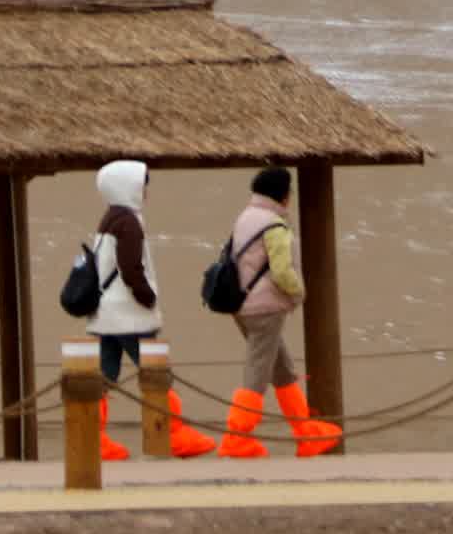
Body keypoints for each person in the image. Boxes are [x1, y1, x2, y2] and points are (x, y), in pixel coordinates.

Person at [77, 160, 216, 460]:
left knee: (105, 376)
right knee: (156, 373)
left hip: (105, 315)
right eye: (142, 184)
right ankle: (173, 435)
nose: (146, 191)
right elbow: (131, 269)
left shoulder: (108, 220)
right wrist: (147, 297)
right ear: (128, 187)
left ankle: (91, 438)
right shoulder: (129, 222)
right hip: (130, 315)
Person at [220, 165, 340, 459]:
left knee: (282, 370)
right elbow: (282, 272)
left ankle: (305, 433)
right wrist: (299, 293)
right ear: (284, 195)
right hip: (265, 308)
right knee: (257, 373)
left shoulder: (245, 218)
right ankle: (237, 439)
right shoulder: (274, 226)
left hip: (243, 305)